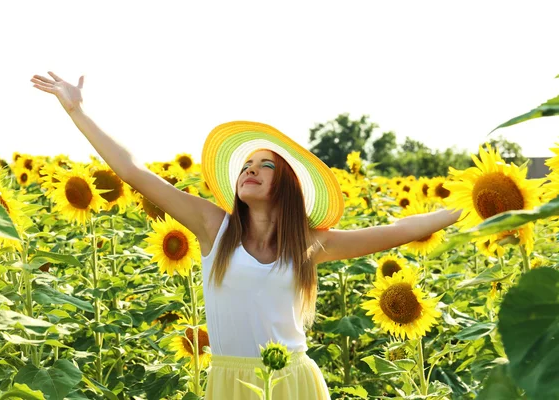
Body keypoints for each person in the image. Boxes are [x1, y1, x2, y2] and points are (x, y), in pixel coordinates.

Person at [31, 72, 462, 399]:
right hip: (228, 381)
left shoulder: (307, 244)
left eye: (265, 165)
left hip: (294, 381)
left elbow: (395, 231)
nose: (250, 169)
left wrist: (468, 208)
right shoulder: (212, 227)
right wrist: (77, 111)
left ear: (288, 185)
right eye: (246, 165)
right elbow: (134, 173)